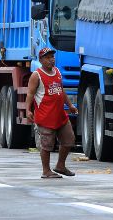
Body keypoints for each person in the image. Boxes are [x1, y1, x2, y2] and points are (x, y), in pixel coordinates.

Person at [26, 47, 78, 179]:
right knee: (47, 145)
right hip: (45, 117)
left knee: (69, 140)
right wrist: (27, 110)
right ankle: (46, 170)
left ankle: (60, 166)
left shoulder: (58, 72)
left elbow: (61, 90)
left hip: (60, 115)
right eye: (48, 58)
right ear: (41, 60)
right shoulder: (36, 75)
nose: (51, 60)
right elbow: (30, 94)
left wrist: (70, 105)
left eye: (52, 57)